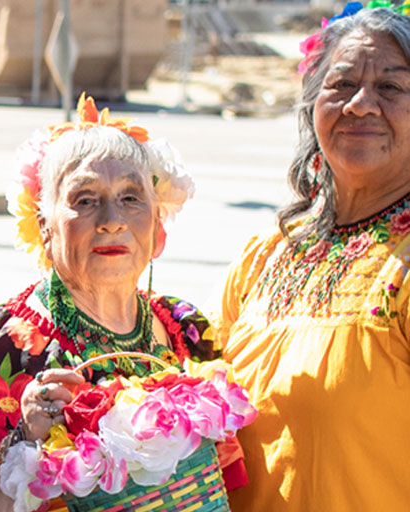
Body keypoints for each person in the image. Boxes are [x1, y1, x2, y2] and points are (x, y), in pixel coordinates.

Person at [0, 96, 232, 511]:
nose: (112, 219)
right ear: (45, 227)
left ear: (157, 221)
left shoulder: (186, 328)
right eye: (85, 199)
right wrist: (24, 439)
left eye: (131, 197)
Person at [214, 5, 410, 510]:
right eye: (341, 85)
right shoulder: (266, 256)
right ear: (312, 105)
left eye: (391, 88)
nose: (361, 105)